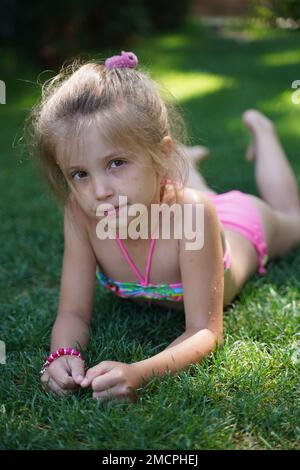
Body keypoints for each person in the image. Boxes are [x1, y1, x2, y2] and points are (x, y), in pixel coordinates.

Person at [26, 51, 300, 403]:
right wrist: (63, 354)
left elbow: (204, 330)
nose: (100, 191)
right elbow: (73, 312)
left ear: (162, 154)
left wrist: (140, 372)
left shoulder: (194, 215)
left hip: (241, 224)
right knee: (177, 193)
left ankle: (262, 131)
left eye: (116, 163)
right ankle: (189, 164)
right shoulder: (81, 214)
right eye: (80, 173)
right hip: (164, 196)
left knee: (292, 216)